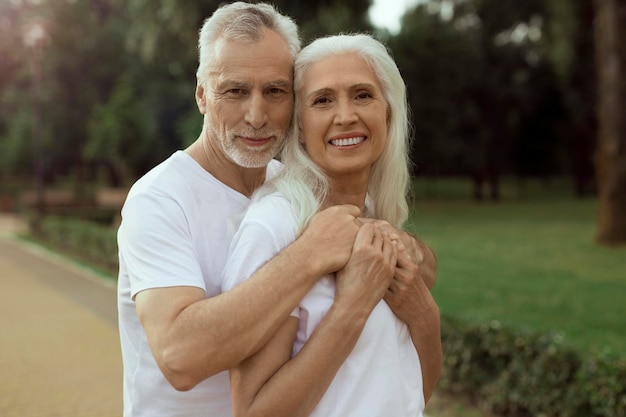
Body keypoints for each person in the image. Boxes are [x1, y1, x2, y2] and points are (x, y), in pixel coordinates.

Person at [117, 3, 437, 417]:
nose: (256, 114)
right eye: (234, 91)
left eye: (274, 91)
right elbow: (181, 357)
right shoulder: (160, 199)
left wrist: (402, 251)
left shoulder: (298, 187)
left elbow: (415, 270)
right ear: (201, 94)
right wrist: (308, 255)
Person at [222, 33, 442, 417]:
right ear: (301, 125)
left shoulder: (373, 212)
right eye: (323, 100)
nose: (345, 116)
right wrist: (352, 307)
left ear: (388, 113)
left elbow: (412, 388)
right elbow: (254, 411)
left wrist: (426, 313)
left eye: (362, 95)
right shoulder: (276, 226)